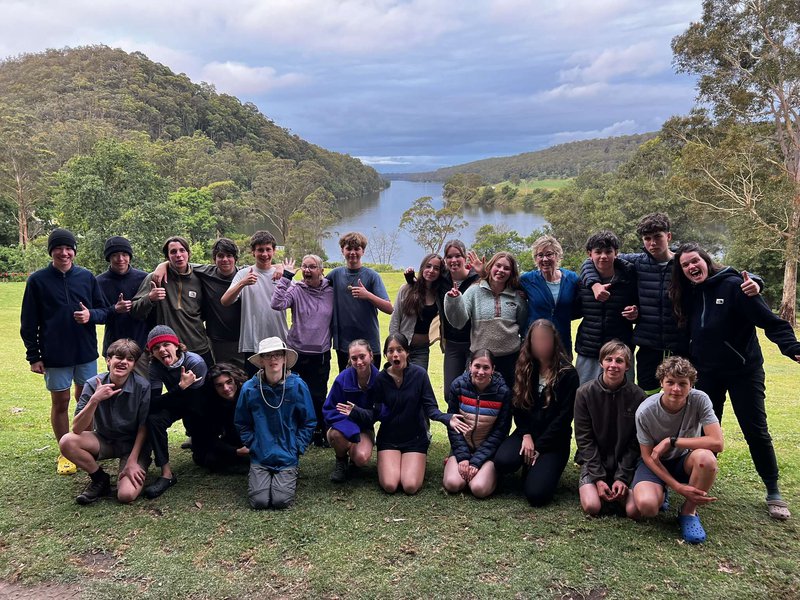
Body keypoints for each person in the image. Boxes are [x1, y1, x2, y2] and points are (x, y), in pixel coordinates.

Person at [670, 242, 800, 520]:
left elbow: (771, 322)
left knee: (755, 430)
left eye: (695, 261)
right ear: (681, 271)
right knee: (704, 434)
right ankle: (700, 484)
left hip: (744, 372)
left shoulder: (735, 287)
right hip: (706, 375)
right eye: (685, 265)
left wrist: (793, 348)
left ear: (706, 260)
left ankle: (773, 489)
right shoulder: (688, 295)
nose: (692, 267)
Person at [581, 213, 760, 393]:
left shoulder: (684, 263)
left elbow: (722, 271)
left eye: (657, 237)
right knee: (646, 400)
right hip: (648, 347)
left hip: (681, 344)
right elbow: (592, 261)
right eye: (647, 238)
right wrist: (595, 284)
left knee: (681, 397)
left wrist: (755, 280)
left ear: (668, 236)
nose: (652, 243)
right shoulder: (636, 262)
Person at [20, 228, 107, 475]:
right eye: (58, 248)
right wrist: (34, 356)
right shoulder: (37, 280)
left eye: (69, 248)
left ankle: (83, 445)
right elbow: (28, 322)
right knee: (61, 402)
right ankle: (64, 451)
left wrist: (91, 315)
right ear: (51, 251)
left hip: (85, 352)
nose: (64, 253)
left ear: (74, 252)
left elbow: (103, 311)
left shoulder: (86, 277)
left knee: (86, 400)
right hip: (55, 354)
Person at [350, 334, 468, 494]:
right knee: (390, 485)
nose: (395, 354)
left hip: (415, 438)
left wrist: (447, 418)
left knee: (410, 486)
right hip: (389, 439)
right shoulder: (381, 380)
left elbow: (431, 409)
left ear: (407, 352)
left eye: (399, 350)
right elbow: (376, 414)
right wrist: (355, 411)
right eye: (390, 351)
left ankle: (413, 463)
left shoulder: (419, 375)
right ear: (386, 355)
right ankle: (394, 463)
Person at [632, 357, 723, 544]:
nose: (676, 389)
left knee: (707, 459)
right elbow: (647, 456)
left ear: (691, 386)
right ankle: (663, 489)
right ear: (661, 383)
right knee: (647, 507)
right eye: (670, 382)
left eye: (683, 384)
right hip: (655, 462)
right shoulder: (645, 411)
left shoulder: (700, 400)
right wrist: (677, 486)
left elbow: (717, 443)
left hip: (684, 459)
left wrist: (672, 441)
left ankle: (689, 512)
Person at [494, 319, 579, 507]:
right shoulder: (525, 365)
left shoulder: (567, 373)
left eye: (545, 339)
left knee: (536, 495)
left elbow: (564, 418)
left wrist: (539, 447)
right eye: (536, 340)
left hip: (554, 441)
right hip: (527, 434)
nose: (541, 344)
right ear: (529, 342)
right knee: (502, 461)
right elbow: (517, 405)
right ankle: (528, 463)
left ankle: (535, 467)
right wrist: (525, 434)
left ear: (554, 341)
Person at [59, 339, 151, 504]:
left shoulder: (142, 386)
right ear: (109, 360)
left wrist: (132, 460)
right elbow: (77, 428)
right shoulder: (93, 384)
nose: (123, 362)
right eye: (119, 357)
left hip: (132, 444)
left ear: (134, 365)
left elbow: (144, 426)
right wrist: (94, 400)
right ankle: (100, 479)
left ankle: (140, 463)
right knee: (67, 441)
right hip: (105, 440)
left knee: (126, 495)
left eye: (129, 359)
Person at [235, 337, 316, 510]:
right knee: (259, 502)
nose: (273, 359)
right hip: (261, 454)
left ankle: (287, 474)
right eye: (268, 355)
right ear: (261, 360)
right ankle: (260, 474)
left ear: (285, 358)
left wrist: (297, 446)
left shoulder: (298, 386)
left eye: (278, 355)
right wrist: (253, 444)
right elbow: (242, 421)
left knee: (280, 501)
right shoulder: (250, 388)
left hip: (287, 454)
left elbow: (308, 421)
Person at [574, 340, 645, 517]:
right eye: (609, 360)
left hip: (625, 463)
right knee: (592, 507)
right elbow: (584, 439)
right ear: (601, 363)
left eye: (619, 361)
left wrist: (622, 477)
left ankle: (622, 487)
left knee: (633, 511)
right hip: (595, 462)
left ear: (627, 366)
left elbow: (636, 442)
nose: (613, 365)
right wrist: (598, 478)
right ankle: (598, 486)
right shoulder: (584, 393)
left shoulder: (638, 396)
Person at [271, 255, 334, 447]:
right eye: (304, 266)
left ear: (321, 270)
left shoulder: (331, 291)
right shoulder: (296, 289)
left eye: (312, 267)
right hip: (296, 352)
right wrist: (286, 277)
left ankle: (318, 431)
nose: (307, 270)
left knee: (317, 395)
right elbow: (277, 304)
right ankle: (295, 431)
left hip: (320, 354)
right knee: (294, 393)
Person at [404, 239, 481, 396]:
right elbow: (426, 283)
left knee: (470, 391)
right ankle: (455, 419)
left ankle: (469, 420)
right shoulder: (442, 279)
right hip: (452, 344)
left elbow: (500, 284)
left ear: (465, 257)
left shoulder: (476, 279)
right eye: (449, 257)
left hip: (474, 344)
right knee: (449, 393)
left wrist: (484, 273)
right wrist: (410, 279)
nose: (453, 260)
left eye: (457, 256)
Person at [444, 251, 528, 387]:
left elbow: (523, 324)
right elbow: (459, 322)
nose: (501, 270)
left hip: (510, 360)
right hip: (480, 360)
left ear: (511, 273)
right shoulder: (474, 291)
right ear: (490, 267)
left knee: (509, 402)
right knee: (477, 400)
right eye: (498, 266)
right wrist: (454, 301)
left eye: (507, 268)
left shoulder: (517, 296)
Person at [143, 325, 207, 499]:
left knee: (202, 460)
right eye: (156, 348)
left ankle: (198, 438)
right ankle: (166, 474)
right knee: (153, 419)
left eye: (166, 345)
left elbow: (193, 402)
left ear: (177, 345)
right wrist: (180, 387)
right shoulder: (155, 366)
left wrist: (177, 392)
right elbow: (154, 403)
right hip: (177, 399)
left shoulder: (195, 362)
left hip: (199, 405)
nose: (162, 350)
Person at [131, 235, 213, 366]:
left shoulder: (200, 277)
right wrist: (150, 298)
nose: (178, 255)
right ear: (167, 257)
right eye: (173, 252)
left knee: (207, 384)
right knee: (176, 386)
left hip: (198, 345)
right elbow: (135, 311)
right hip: (169, 350)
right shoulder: (155, 278)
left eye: (182, 250)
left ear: (188, 253)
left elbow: (205, 311)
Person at [442, 349, 512, 499]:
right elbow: (453, 426)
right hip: (463, 446)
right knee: (452, 484)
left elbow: (500, 432)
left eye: (486, 367)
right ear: (470, 366)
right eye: (477, 366)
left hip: (488, 451)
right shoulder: (458, 386)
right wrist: (463, 457)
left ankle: (491, 473)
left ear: (493, 369)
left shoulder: (503, 392)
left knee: (479, 489)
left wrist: (476, 461)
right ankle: (455, 463)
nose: (481, 371)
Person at [574, 231, 638, 385]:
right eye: (598, 252)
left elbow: (640, 305)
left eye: (608, 251)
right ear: (590, 254)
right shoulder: (582, 282)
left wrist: (635, 312)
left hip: (621, 349)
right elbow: (574, 310)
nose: (603, 256)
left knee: (624, 396)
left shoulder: (628, 278)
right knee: (585, 394)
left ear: (616, 253)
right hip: (589, 348)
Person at [221, 231, 288, 377]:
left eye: (268, 249)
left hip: (279, 340)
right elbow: (225, 301)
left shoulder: (282, 275)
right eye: (260, 250)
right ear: (253, 252)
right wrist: (243, 283)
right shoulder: (244, 274)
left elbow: (297, 300)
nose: (264, 254)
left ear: (274, 251)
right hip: (253, 342)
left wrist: (283, 269)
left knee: (280, 384)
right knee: (254, 386)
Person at [326, 232, 393, 372]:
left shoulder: (372, 276)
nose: (352, 253)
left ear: (363, 251)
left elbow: (389, 308)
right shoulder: (335, 274)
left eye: (357, 249)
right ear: (342, 250)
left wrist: (368, 295)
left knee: (371, 388)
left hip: (369, 345)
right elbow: (314, 288)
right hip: (344, 346)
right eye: (348, 249)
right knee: (348, 386)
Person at [323, 339, 380, 483]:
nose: (359, 362)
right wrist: (350, 429)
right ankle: (341, 460)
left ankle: (354, 458)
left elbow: (380, 413)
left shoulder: (379, 380)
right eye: (354, 358)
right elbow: (329, 409)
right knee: (336, 435)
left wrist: (356, 412)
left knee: (361, 458)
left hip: (365, 427)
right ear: (350, 359)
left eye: (362, 356)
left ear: (371, 355)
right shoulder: (342, 379)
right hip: (342, 426)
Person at [95, 236, 151, 375]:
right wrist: (114, 309)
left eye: (124, 254)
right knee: (118, 388)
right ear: (109, 258)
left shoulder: (144, 278)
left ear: (130, 257)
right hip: (114, 347)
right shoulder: (99, 282)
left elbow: (151, 312)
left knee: (143, 387)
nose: (120, 259)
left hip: (142, 345)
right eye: (115, 255)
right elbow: (96, 315)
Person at [519, 235, 580, 356]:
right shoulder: (527, 280)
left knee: (564, 374)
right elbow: (503, 284)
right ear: (535, 259)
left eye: (549, 254)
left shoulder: (572, 279)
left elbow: (580, 304)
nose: (544, 259)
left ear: (557, 256)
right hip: (534, 344)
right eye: (540, 255)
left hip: (562, 343)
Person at [191, 363, 250, 472]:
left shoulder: (248, 394)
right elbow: (207, 438)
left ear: (235, 380)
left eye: (229, 382)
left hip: (247, 438)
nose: (226, 388)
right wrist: (235, 451)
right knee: (207, 458)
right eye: (219, 385)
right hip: (228, 443)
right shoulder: (208, 404)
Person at [390, 253, 443, 369]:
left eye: (436, 268)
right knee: (399, 382)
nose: (431, 270)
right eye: (428, 266)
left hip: (422, 350)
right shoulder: (406, 289)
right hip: (402, 347)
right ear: (422, 267)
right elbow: (395, 318)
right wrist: (394, 346)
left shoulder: (439, 294)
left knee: (418, 383)